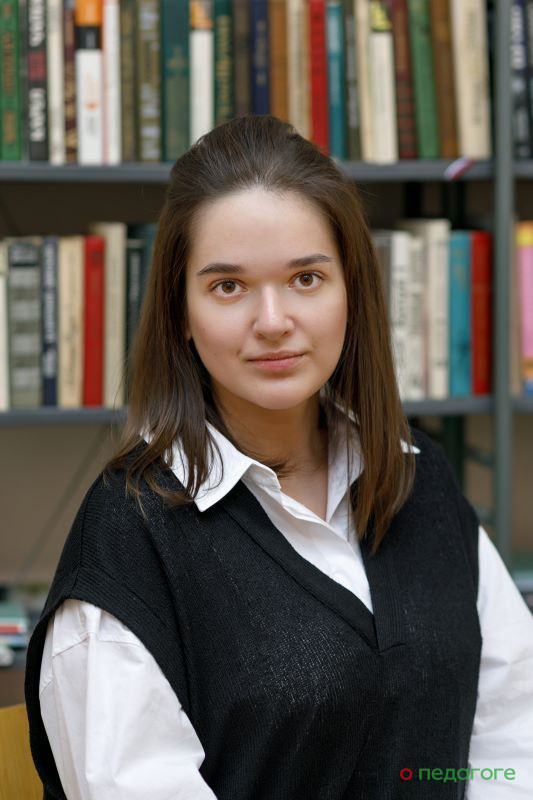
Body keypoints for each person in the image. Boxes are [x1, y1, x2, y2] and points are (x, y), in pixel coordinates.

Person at [25, 115, 533, 800]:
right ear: (180, 312)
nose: (272, 321)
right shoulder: (129, 543)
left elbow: (510, 745)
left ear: (351, 291)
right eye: (228, 286)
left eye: (306, 278)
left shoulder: (422, 481)